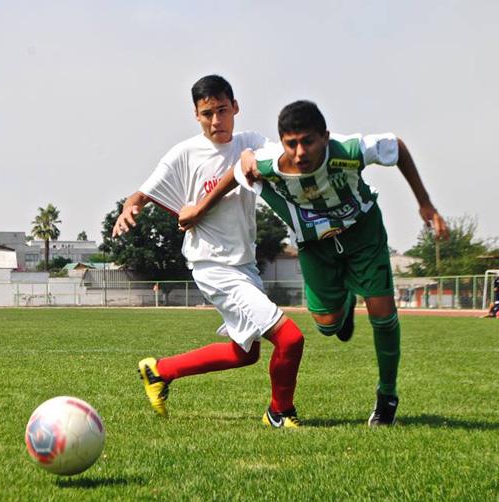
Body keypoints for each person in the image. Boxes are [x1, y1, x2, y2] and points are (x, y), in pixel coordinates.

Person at [180, 100, 448, 426]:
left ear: (325, 136)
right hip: (314, 247)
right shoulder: (270, 163)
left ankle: (387, 395)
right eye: (291, 143)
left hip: (363, 233)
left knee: (382, 312)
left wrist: (425, 204)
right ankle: (345, 302)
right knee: (327, 325)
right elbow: (237, 172)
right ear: (282, 142)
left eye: (308, 141)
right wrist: (200, 209)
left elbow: (397, 147)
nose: (300, 152)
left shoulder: (349, 150)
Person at [112, 75, 306, 428]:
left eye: (222, 110)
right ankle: (280, 412)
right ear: (196, 116)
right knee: (290, 338)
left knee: (245, 353)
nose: (216, 121)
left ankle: (160, 371)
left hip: (244, 265)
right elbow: (141, 194)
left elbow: (276, 156)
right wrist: (130, 208)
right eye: (207, 114)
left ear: (235, 107)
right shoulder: (184, 154)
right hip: (212, 266)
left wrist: (251, 156)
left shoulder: (249, 141)